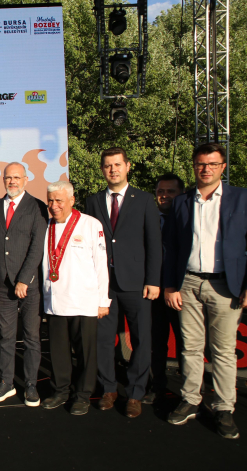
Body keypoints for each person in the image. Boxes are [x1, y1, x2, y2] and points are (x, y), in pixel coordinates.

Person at [164, 142, 247, 440]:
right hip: (188, 283)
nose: (206, 169)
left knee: (223, 351)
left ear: (223, 167)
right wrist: (170, 285)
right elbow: (171, 247)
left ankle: (224, 408)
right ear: (194, 166)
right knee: (190, 347)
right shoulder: (182, 202)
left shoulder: (241, 198)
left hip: (226, 285)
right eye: (201, 164)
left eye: (212, 164)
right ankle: (191, 399)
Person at [84, 147, 161, 418]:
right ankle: (108, 389)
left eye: (117, 164)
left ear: (128, 166)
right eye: (108, 165)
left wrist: (153, 280)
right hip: (103, 284)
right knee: (103, 339)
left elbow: (154, 243)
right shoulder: (93, 201)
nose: (113, 170)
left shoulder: (145, 200)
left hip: (137, 283)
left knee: (141, 339)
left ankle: (136, 393)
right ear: (102, 169)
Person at [41, 181, 111, 416]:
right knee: (58, 352)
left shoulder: (91, 224)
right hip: (55, 301)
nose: (54, 205)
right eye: (51, 200)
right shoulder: (46, 226)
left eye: (59, 200)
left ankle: (82, 395)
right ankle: (60, 390)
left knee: (85, 354)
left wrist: (103, 301)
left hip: (84, 301)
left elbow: (101, 265)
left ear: (72, 200)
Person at [0, 162, 49, 406]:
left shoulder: (37, 207)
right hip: (2, 284)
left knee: (31, 337)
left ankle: (31, 385)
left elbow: (37, 246)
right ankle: (6, 382)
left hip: (28, 285)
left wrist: (24, 278)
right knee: (5, 337)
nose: (12, 181)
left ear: (26, 179)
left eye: (16, 177)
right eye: (8, 178)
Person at [144, 173, 185, 404]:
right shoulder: (148, 218)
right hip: (154, 290)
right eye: (161, 191)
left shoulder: (189, 218)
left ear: (181, 193)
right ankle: (157, 385)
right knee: (156, 342)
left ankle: (190, 392)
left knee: (186, 344)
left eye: (171, 191)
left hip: (182, 291)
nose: (165, 195)